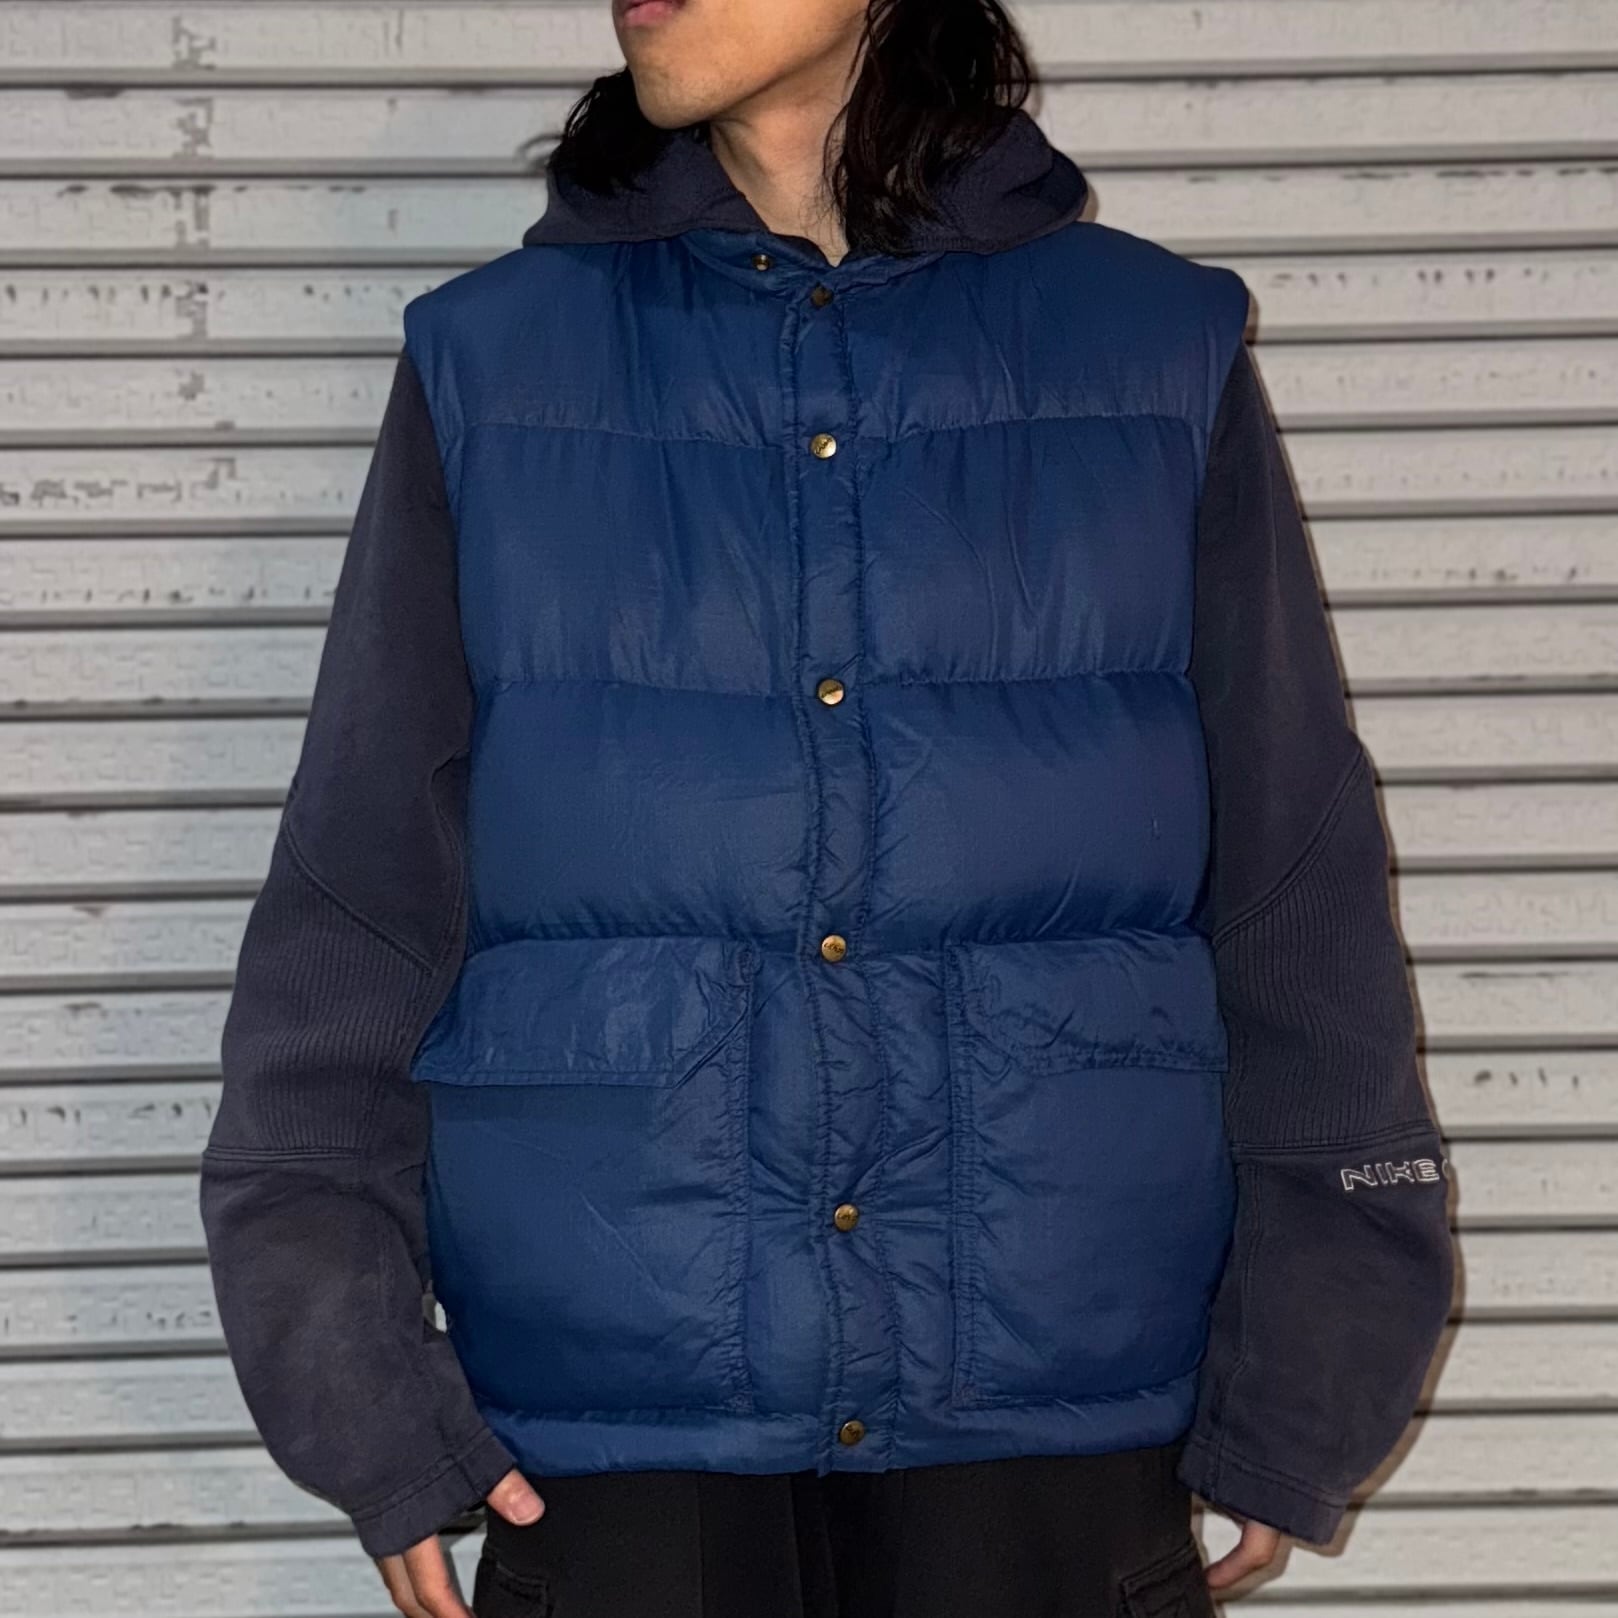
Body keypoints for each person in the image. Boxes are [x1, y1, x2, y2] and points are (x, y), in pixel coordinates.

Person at [198, 1, 1456, 1614]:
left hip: (1045, 1403)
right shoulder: (493, 362)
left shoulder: (1153, 346)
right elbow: (360, 898)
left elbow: (1293, 877)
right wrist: (358, 1385)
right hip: (619, 1422)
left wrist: (1306, 1373)